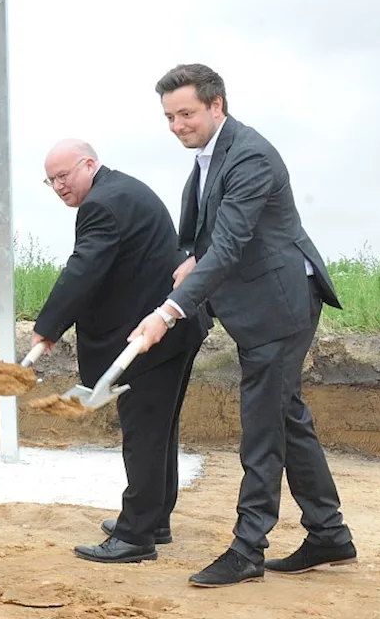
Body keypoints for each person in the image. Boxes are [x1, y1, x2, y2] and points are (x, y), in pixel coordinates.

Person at [129, 63, 356, 587]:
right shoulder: (209, 157)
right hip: (255, 303)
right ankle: (329, 533)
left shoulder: (250, 154)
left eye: (186, 113)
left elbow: (230, 243)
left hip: (280, 304)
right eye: (168, 117)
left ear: (217, 105)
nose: (177, 125)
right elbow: (207, 237)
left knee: (262, 427)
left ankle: (248, 547)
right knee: (285, 416)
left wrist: (168, 312)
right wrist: (190, 258)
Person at [30, 139, 208, 564]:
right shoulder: (122, 191)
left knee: (144, 434)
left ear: (89, 165)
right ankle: (154, 519)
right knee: (159, 430)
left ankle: (135, 536)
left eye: (64, 176)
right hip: (171, 328)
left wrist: (47, 328)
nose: (58, 186)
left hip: (152, 336)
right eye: (50, 180)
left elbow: (83, 270)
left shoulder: (101, 206)